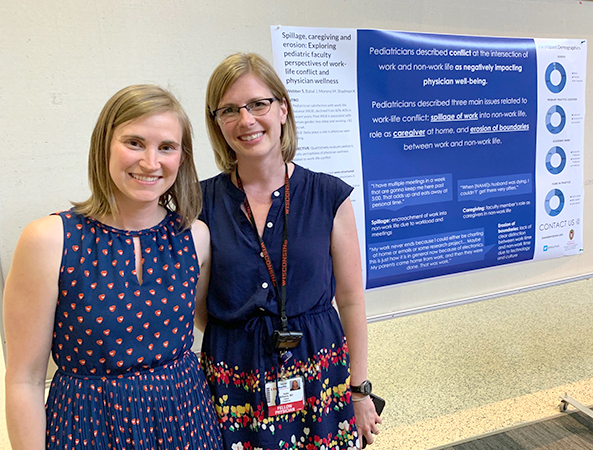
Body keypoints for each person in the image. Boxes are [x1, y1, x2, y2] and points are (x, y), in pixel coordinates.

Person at [3, 85, 224, 450]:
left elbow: (205, 321)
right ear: (104, 145)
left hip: (187, 422)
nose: (151, 162)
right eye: (134, 143)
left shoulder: (194, 236)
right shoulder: (49, 240)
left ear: (182, 158)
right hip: (88, 427)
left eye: (166, 147)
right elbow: (24, 380)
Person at [199, 52, 381, 449]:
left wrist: (360, 390)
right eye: (229, 110)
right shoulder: (200, 202)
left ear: (282, 108)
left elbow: (350, 300)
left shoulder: (328, 195)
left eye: (258, 104)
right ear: (217, 124)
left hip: (318, 368)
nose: (245, 120)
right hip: (235, 375)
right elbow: (198, 308)